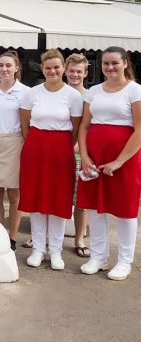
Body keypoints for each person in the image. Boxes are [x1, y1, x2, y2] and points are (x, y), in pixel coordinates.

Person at [77, 46, 141, 281]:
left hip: (125, 159)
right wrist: (84, 156)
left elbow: (139, 130)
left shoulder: (135, 91)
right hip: (95, 156)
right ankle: (99, 256)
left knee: (125, 210)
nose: (110, 67)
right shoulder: (93, 91)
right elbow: (84, 125)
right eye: (106, 63)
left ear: (125, 63)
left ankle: (124, 261)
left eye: (115, 62)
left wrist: (119, 161)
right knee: (94, 206)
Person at [19, 49, 82, 270]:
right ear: (42, 69)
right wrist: (37, 144)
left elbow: (75, 129)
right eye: (48, 68)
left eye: (56, 67)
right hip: (35, 148)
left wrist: (60, 145)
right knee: (35, 199)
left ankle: (55, 251)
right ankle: (38, 248)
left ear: (63, 68)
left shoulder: (73, 96)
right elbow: (25, 125)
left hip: (61, 150)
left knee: (59, 199)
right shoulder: (32, 93)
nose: (52, 71)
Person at [0, 51, 29, 251]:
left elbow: (26, 122)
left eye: (8, 65)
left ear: (16, 68)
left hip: (15, 142)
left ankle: (11, 237)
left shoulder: (25, 92)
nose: (4, 69)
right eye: (1, 65)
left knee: (14, 192)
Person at [64, 53, 90, 258]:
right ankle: (46, 236)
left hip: (81, 156)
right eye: (71, 71)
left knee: (81, 201)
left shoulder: (90, 97)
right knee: (55, 197)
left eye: (78, 71)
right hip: (58, 154)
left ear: (85, 73)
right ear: (65, 71)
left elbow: (90, 127)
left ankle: (79, 238)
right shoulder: (57, 93)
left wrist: (80, 148)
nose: (74, 75)